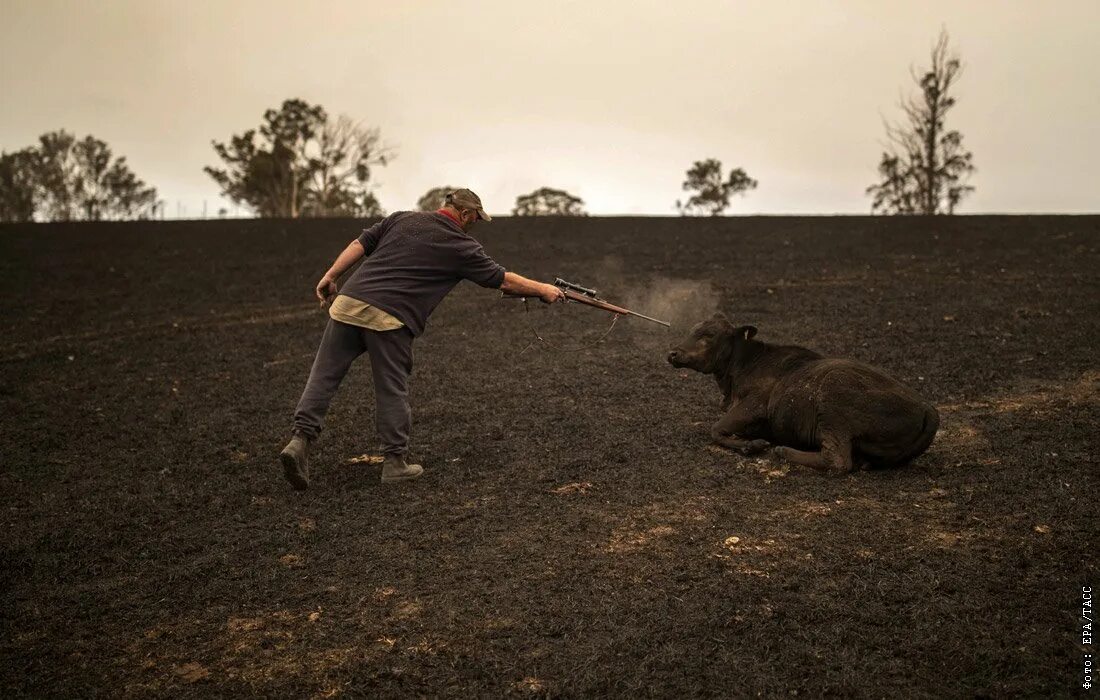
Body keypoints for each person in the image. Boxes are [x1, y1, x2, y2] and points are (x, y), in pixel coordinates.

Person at [279, 188, 564, 490]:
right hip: (389, 318)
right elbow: (502, 279)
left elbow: (359, 243)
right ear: (465, 214)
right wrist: (544, 289)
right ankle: (395, 463)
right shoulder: (460, 244)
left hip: (348, 303)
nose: (474, 225)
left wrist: (331, 275)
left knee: (323, 376)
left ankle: (299, 441)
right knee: (391, 388)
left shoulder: (401, 219)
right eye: (475, 219)